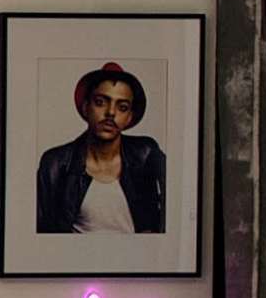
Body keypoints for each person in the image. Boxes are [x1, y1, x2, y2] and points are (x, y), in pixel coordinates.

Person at [35, 60, 167, 236]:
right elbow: (43, 234)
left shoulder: (146, 154)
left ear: (129, 117)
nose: (111, 113)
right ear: (85, 107)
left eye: (122, 107)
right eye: (100, 102)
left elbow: (181, 205)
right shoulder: (56, 163)